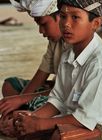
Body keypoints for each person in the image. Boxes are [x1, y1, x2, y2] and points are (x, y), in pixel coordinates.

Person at [13, 0, 102, 140]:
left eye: (75, 17)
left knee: (61, 136)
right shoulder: (69, 54)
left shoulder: (100, 66)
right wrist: (31, 118)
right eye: (63, 16)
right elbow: (58, 99)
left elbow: (83, 119)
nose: (66, 24)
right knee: (26, 131)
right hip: (76, 117)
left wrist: (39, 124)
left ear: (95, 23)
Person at [0, 0, 70, 137]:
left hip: (65, 97)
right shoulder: (54, 42)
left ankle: (25, 120)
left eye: (43, 24)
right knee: (10, 85)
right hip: (55, 90)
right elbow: (39, 78)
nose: (40, 31)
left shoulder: (75, 45)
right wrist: (17, 102)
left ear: (60, 18)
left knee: (33, 107)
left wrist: (20, 103)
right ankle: (22, 118)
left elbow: (65, 94)